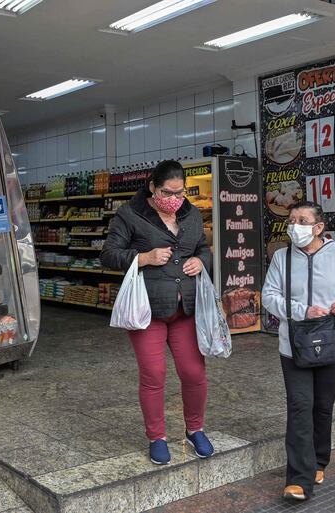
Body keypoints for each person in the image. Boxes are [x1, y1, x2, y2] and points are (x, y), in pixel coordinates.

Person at [101, 159, 214, 465]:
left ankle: (195, 429)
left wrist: (202, 261)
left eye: (180, 192)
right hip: (147, 310)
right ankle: (157, 436)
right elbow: (109, 255)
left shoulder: (190, 214)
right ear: (152, 187)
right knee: (154, 374)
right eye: (168, 191)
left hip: (185, 309)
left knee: (193, 372)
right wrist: (144, 257)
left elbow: (203, 247)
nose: (175, 198)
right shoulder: (129, 214)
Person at [261, 201, 335, 501]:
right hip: (293, 346)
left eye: (302, 220)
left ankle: (319, 459)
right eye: (292, 220)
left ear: (319, 227)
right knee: (299, 407)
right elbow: (268, 297)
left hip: (334, 346)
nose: (295, 226)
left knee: (322, 406)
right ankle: (298, 479)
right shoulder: (282, 258)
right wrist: (301, 311)